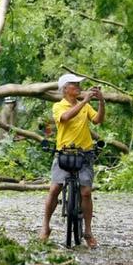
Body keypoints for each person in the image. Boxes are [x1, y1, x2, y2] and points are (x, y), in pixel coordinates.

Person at [40, 73, 105, 248]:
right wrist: (85, 101)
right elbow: (66, 117)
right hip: (64, 153)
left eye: (79, 84)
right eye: (74, 85)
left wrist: (100, 101)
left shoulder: (85, 106)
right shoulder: (58, 106)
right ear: (65, 89)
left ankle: (88, 231)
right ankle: (45, 226)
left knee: (86, 192)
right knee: (54, 189)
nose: (78, 87)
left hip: (84, 154)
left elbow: (98, 120)